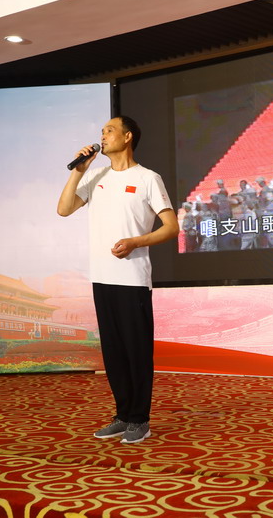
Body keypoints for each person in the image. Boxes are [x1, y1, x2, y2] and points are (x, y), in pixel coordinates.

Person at [57, 115, 178, 445]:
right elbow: (64, 209)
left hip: (132, 279)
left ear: (127, 137)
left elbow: (171, 227)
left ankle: (140, 419)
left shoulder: (148, 178)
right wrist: (78, 171)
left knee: (136, 351)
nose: (103, 136)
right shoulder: (95, 176)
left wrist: (136, 241)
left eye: (109, 130)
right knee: (113, 354)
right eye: (102, 131)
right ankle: (123, 415)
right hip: (101, 277)